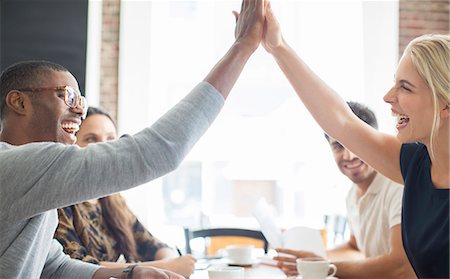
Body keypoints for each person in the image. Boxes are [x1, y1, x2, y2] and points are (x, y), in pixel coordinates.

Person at [0, 1, 266, 278]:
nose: (79, 109)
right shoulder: (14, 166)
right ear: (19, 102)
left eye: (80, 100)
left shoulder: (33, 183)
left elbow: (53, 265)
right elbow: (155, 152)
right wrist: (242, 47)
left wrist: (132, 273)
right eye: (67, 96)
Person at [257, 3, 449, 278]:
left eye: (404, 87)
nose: (387, 97)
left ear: (445, 105)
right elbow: (341, 121)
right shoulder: (414, 162)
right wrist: (278, 47)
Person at [274, 102, 415, 278]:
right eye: (339, 146)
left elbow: (400, 266)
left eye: (358, 144)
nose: (350, 155)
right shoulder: (352, 195)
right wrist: (310, 260)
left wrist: (327, 267)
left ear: (375, 141)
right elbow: (354, 246)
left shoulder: (397, 186)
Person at [54, 107, 196, 277]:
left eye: (111, 139)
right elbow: (76, 266)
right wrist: (168, 267)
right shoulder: (59, 201)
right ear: (72, 145)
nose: (104, 148)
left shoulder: (113, 197)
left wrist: (169, 262)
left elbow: (153, 245)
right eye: (91, 139)